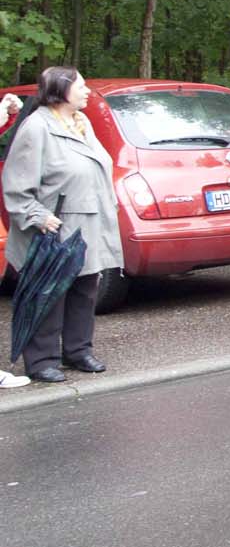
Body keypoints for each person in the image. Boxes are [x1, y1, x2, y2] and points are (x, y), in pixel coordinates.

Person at [2, 67, 123, 383]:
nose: (87, 91)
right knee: (48, 294)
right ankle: (41, 361)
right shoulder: (36, 128)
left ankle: (78, 351)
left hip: (87, 223)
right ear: (61, 90)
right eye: (81, 86)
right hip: (52, 228)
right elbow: (16, 183)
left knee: (85, 289)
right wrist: (38, 216)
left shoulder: (81, 123)